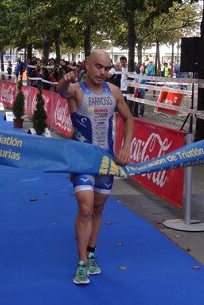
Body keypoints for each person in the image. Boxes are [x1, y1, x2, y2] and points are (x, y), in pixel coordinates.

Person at [56, 49, 134, 285]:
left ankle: (91, 254)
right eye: (98, 66)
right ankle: (81, 263)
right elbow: (61, 92)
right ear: (88, 65)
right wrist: (63, 80)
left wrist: (126, 146)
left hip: (106, 162)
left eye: (107, 68)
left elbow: (129, 119)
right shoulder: (77, 89)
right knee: (86, 208)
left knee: (98, 209)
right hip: (82, 160)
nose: (103, 72)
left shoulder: (115, 92)